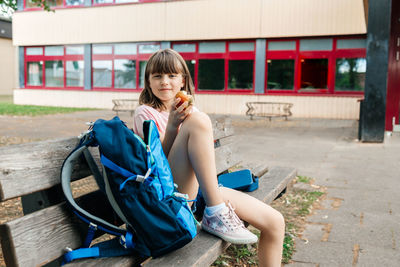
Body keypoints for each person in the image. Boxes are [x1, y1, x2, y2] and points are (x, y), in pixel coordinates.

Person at [133, 48, 285, 267]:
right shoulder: (145, 113)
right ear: (148, 81)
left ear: (183, 81)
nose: (164, 81)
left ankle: (215, 209)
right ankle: (215, 212)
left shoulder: (191, 110)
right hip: (171, 195)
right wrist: (174, 125)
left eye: (171, 76)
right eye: (157, 76)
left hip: (203, 191)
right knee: (198, 121)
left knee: (275, 222)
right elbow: (156, 167)